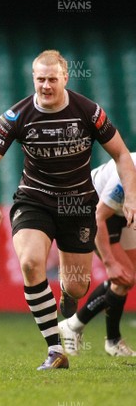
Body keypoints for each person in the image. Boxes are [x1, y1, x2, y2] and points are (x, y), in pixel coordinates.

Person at [0, 49, 136, 370]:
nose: (45, 86)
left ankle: (68, 298)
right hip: (35, 200)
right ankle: (54, 350)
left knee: (76, 286)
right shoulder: (16, 117)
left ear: (65, 78)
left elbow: (122, 156)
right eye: (40, 79)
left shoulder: (88, 112)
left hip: (78, 204)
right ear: (34, 78)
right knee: (31, 263)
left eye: (52, 79)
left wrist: (130, 196)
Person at [59, 153, 136, 357]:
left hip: (121, 212)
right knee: (123, 275)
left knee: (128, 277)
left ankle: (73, 325)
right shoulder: (127, 175)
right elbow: (99, 217)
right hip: (93, 207)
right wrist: (110, 263)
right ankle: (111, 341)